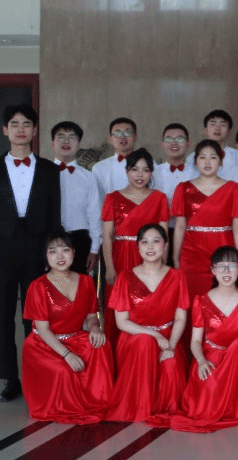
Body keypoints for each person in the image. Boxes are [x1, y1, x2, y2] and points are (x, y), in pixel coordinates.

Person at [0, 103, 61, 402]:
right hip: (2, 252)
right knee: (2, 317)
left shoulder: (50, 170)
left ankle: (36, 373)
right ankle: (10, 378)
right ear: (5, 130)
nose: (21, 129)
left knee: (35, 318)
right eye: (14, 124)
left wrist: (53, 255)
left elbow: (54, 215)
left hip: (38, 251)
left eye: (26, 124)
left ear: (35, 130)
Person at [159, 246, 238, 433]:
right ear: (213, 270)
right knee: (205, 405)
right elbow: (195, 341)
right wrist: (201, 361)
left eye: (232, 265)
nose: (226, 271)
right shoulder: (201, 301)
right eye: (221, 266)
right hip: (211, 360)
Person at [21, 231, 112, 424]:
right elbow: (43, 329)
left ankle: (99, 399)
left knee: (101, 347)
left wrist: (95, 328)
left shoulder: (86, 281)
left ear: (73, 252)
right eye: (53, 251)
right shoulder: (38, 286)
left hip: (74, 338)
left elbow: (91, 317)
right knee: (65, 371)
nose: (60, 256)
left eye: (65, 250)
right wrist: (67, 355)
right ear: (46, 256)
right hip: (43, 345)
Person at [105, 224, 191, 421]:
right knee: (144, 343)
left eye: (156, 241)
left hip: (169, 338)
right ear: (138, 247)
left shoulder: (177, 277)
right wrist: (154, 335)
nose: (150, 247)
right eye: (144, 242)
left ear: (165, 245)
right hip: (134, 340)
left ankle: (158, 407)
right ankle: (139, 406)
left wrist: (170, 346)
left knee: (170, 367)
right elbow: (122, 322)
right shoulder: (125, 277)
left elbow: (180, 318)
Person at [101, 149, 170, 349]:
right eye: (134, 169)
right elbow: (107, 236)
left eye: (145, 170)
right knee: (120, 306)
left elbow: (164, 237)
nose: (140, 175)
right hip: (121, 257)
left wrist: (163, 267)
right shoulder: (112, 198)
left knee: (148, 305)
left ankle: (149, 350)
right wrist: (109, 268)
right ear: (126, 171)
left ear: (151, 173)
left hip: (150, 258)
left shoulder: (159, 198)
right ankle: (117, 355)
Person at [171, 140, 238, 299]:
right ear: (195, 161)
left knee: (224, 296)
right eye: (202, 157)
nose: (207, 162)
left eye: (213, 157)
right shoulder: (183, 189)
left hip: (223, 250)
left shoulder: (233, 188)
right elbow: (179, 226)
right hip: (192, 253)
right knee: (191, 294)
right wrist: (175, 257)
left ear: (220, 161)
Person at [50, 121, 102, 274]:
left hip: (80, 240)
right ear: (52, 143)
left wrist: (94, 249)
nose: (66, 141)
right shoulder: (41, 174)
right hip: (49, 240)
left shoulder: (89, 177)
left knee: (79, 284)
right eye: (61, 137)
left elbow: (94, 214)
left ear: (79, 144)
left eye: (72, 137)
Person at [91, 117, 139, 195]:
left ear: (135, 137)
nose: (123, 137)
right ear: (111, 139)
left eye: (128, 132)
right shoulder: (99, 168)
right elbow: (96, 199)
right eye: (117, 133)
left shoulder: (149, 165)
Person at [154, 123, 197, 206]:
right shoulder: (154, 173)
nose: (174, 143)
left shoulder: (198, 172)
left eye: (180, 139)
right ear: (162, 144)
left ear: (188, 144)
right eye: (169, 139)